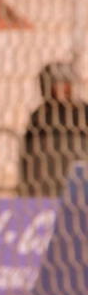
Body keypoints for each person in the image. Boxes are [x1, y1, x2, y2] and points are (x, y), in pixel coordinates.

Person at [18, 61, 88, 197]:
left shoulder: (83, 112)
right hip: (47, 182)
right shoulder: (40, 115)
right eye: (57, 83)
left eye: (65, 83)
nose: (62, 88)